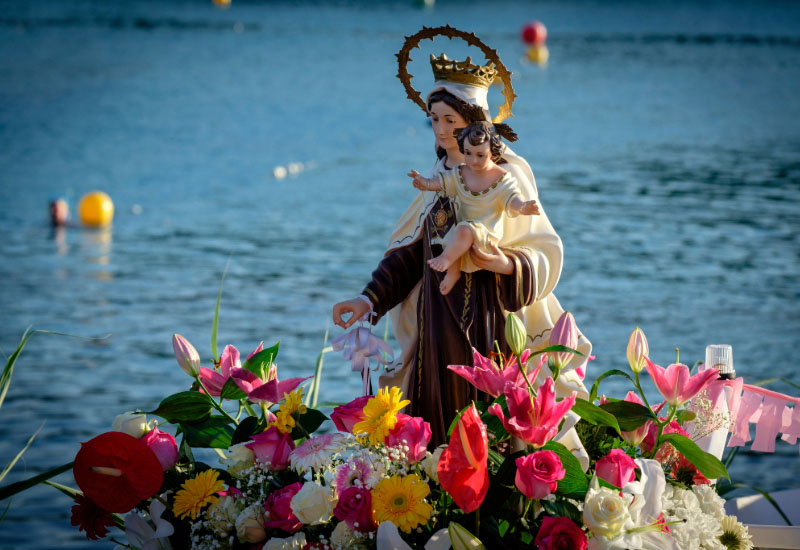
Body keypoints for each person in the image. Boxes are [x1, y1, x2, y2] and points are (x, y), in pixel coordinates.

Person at [332, 51, 591, 447]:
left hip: (492, 313)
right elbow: (410, 253)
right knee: (438, 406)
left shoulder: (509, 175)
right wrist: (369, 299)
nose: (439, 129)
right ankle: (439, 479)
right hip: (436, 316)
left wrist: (504, 264)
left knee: (489, 405)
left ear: (475, 124)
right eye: (434, 119)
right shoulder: (441, 178)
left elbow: (542, 250)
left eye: (450, 120)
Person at [409, 121, 540, 295]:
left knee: (463, 230)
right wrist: (424, 183)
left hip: (487, 233)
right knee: (455, 234)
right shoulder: (461, 173)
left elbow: (512, 199)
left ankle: (446, 259)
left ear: (493, 152)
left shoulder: (502, 178)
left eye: (480, 155)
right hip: (463, 230)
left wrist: (523, 207)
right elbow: (440, 182)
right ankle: (452, 272)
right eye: (468, 153)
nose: (473, 160)